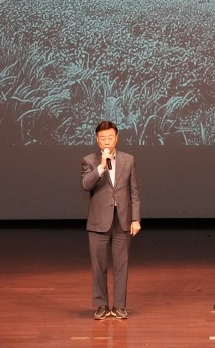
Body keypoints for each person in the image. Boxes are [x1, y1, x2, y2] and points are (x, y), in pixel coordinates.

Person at [81, 120, 141, 320]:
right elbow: (86, 185)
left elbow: (134, 191)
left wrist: (135, 219)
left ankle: (120, 306)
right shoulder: (89, 160)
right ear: (97, 140)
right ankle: (101, 305)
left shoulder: (128, 160)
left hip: (122, 220)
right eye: (102, 138)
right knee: (99, 266)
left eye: (110, 137)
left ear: (116, 138)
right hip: (98, 222)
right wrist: (101, 166)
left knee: (122, 264)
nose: (107, 141)